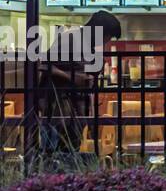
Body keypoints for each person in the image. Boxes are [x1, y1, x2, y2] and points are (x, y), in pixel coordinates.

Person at [37, 11, 122, 170]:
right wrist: (71, 77)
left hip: (78, 106)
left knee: (71, 149)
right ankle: (51, 182)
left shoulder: (92, 45)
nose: (107, 42)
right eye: (107, 37)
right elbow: (45, 65)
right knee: (55, 151)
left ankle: (66, 182)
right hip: (58, 105)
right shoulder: (70, 38)